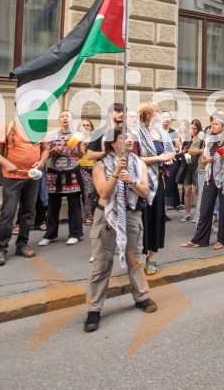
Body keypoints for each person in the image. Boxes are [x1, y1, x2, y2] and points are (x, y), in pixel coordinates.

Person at [83, 129, 156, 333]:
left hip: (131, 214)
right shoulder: (100, 165)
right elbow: (104, 193)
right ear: (113, 143)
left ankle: (142, 297)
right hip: (106, 216)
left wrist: (131, 181)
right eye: (124, 138)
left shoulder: (138, 163)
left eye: (131, 137)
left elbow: (145, 191)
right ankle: (94, 310)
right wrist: (115, 173)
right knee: (102, 263)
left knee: (134, 259)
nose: (130, 140)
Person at [0, 116, 50, 266]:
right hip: (12, 178)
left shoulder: (39, 126)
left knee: (28, 212)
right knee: (8, 213)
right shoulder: (9, 126)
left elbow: (46, 149)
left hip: (32, 177)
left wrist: (41, 162)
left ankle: (22, 245)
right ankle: (1, 249)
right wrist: (6, 163)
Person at [182, 112, 224, 250]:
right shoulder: (208, 140)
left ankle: (221, 239)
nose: (212, 126)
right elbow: (203, 160)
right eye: (212, 123)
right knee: (205, 208)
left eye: (216, 124)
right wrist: (208, 160)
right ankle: (199, 239)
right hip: (210, 178)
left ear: (223, 126)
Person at [136, 102, 176, 275]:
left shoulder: (162, 133)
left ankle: (152, 256)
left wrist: (167, 158)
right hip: (139, 180)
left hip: (157, 181)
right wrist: (158, 158)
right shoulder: (136, 133)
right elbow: (134, 157)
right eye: (157, 111)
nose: (160, 114)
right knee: (140, 218)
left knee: (156, 218)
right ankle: (137, 255)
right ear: (147, 116)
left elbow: (170, 152)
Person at [39, 111, 85, 247]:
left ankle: (75, 234)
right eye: (62, 116)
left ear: (72, 119)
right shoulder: (51, 134)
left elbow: (81, 155)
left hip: (72, 172)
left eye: (68, 116)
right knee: (53, 205)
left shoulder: (78, 134)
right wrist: (54, 150)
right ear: (59, 119)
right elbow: (45, 153)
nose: (65, 118)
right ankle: (50, 234)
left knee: (74, 205)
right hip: (54, 173)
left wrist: (77, 145)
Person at [180, 119, 204, 222]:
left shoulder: (201, 139)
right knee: (187, 191)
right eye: (192, 128)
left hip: (196, 167)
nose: (193, 131)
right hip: (187, 166)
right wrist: (184, 151)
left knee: (196, 191)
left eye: (195, 129)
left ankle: (196, 214)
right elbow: (182, 152)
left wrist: (194, 151)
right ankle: (187, 213)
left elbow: (203, 152)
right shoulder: (187, 139)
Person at [78, 119, 96, 227]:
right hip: (81, 167)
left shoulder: (94, 138)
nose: (85, 127)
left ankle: (91, 215)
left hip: (93, 167)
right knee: (87, 192)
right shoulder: (76, 138)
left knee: (91, 193)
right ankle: (88, 216)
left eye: (88, 125)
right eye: (83, 125)